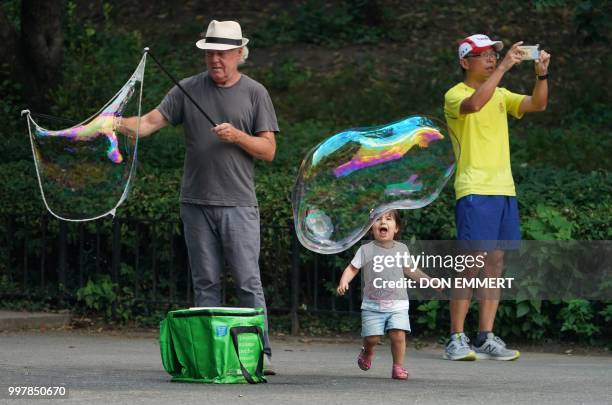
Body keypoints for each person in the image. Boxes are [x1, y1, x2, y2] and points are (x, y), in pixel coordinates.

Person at [118, 20, 279, 373]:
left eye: (222, 53)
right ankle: (210, 353)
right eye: (209, 53)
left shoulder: (255, 93)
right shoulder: (187, 89)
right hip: (195, 203)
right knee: (204, 282)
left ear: (239, 54)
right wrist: (114, 123)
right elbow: (147, 124)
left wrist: (237, 136)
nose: (215, 59)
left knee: (247, 281)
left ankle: (258, 355)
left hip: (238, 204)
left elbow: (268, 150)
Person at [443, 34, 550, 361]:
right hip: (474, 188)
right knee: (470, 264)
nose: (490, 58)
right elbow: (475, 104)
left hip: (504, 189)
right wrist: (504, 67)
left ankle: (485, 337)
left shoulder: (501, 94)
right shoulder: (455, 94)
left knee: (495, 263)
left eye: (494, 54)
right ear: (465, 62)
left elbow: (537, 104)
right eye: (483, 55)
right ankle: (455, 339)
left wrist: (541, 74)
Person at [336, 210, 438, 380]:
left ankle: (398, 367)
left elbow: (411, 271)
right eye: (378, 220)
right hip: (372, 305)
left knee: (398, 335)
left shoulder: (401, 249)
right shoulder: (366, 249)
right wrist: (344, 281)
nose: (383, 222)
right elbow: (352, 268)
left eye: (388, 219)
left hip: (398, 304)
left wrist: (430, 281)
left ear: (396, 228)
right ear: (372, 228)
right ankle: (367, 351)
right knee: (372, 338)